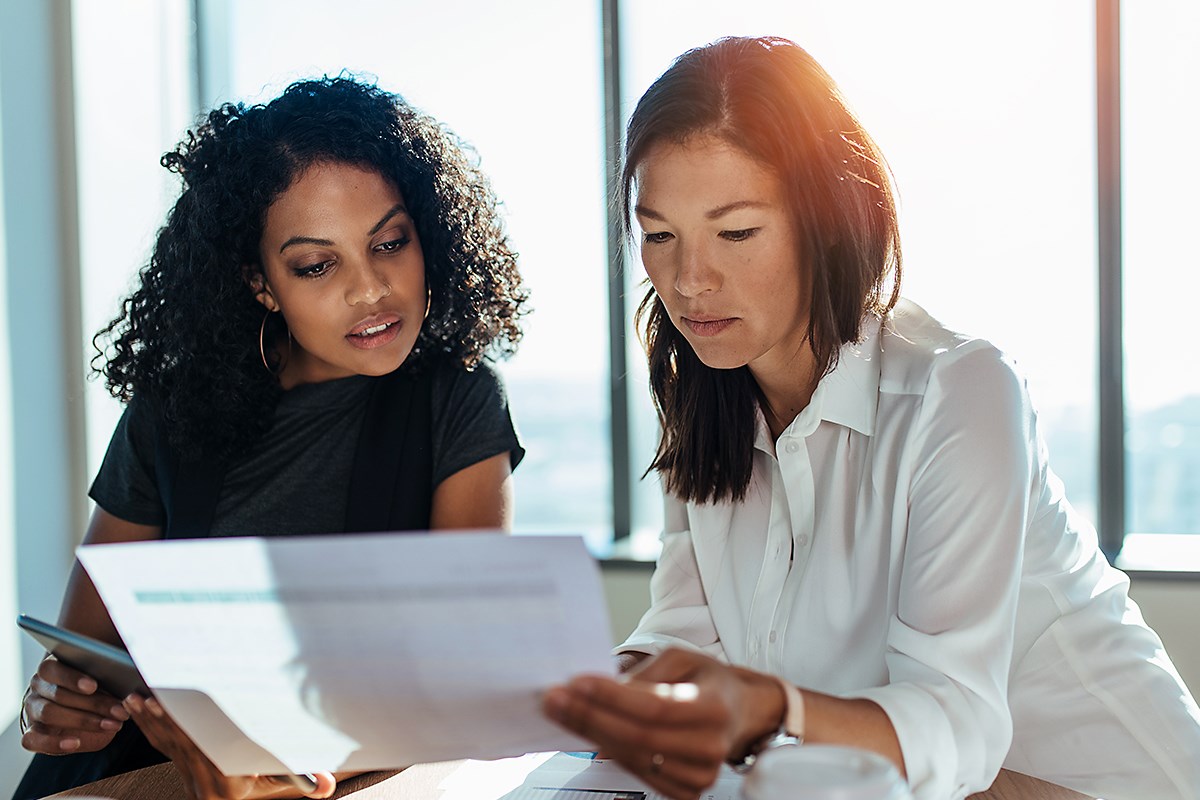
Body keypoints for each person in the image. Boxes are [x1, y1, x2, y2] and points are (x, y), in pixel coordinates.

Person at [541, 35, 1200, 800]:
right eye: (659, 236)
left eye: (736, 232)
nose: (689, 280)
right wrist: (605, 688)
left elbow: (956, 727)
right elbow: (689, 634)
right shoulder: (708, 397)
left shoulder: (959, 391)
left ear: (826, 221)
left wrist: (769, 710)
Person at [16, 75, 528, 800]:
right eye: (317, 264)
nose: (370, 289)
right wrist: (61, 701)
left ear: (428, 234)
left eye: (390, 242)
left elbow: (457, 675)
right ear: (262, 284)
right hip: (141, 775)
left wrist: (276, 769)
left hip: (335, 777)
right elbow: (88, 657)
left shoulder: (458, 400)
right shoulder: (170, 411)